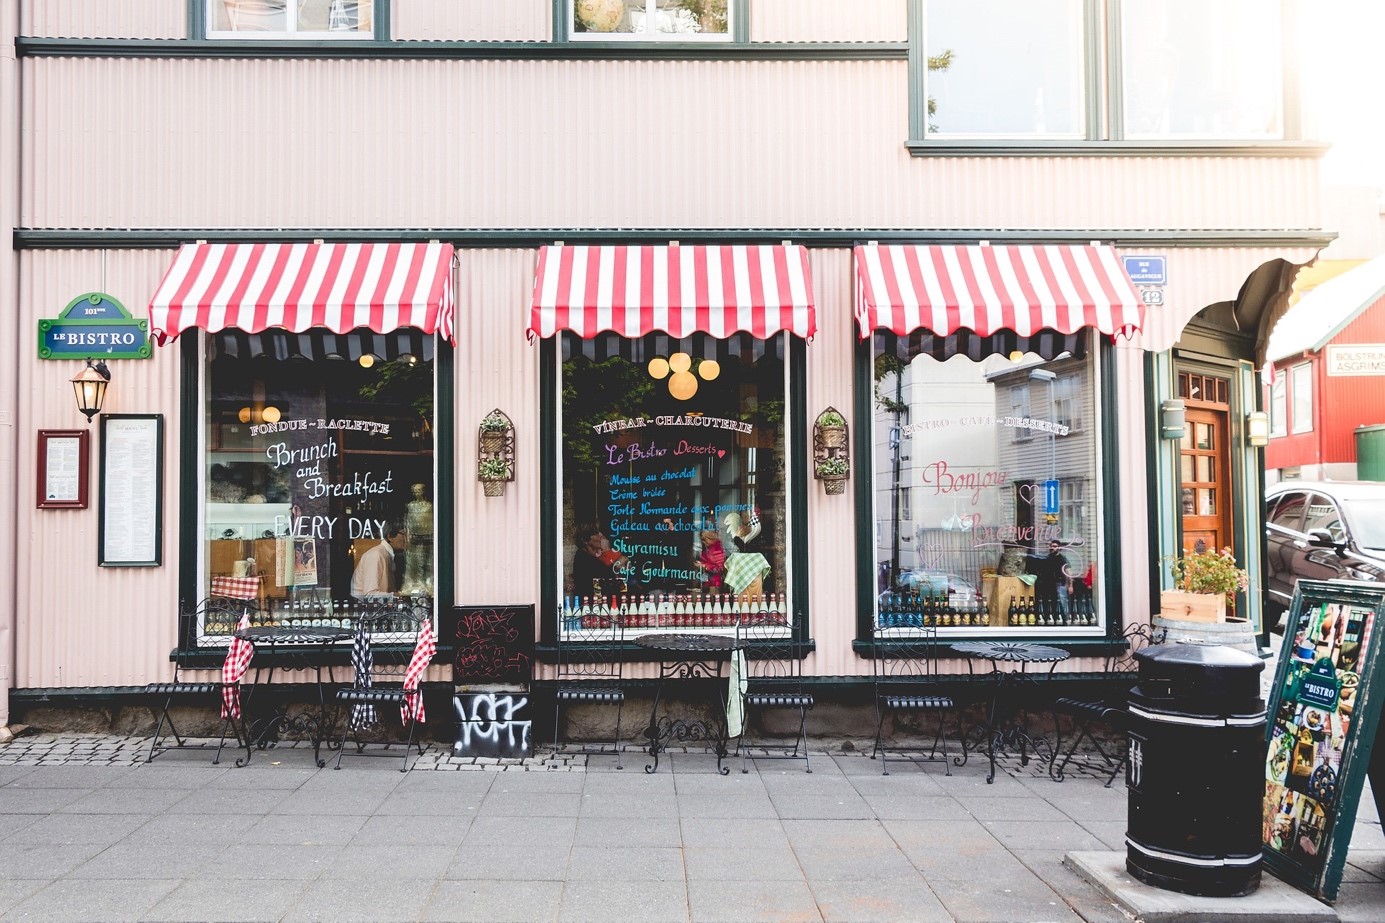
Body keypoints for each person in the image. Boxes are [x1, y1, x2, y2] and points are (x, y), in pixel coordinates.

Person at [351, 524, 408, 600]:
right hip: (364, 608)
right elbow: (370, 595)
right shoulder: (375, 555)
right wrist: (399, 596)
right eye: (404, 533)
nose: (408, 538)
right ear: (390, 537)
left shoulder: (388, 555)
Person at [572, 525, 629, 597]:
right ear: (585, 540)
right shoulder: (585, 559)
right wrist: (608, 551)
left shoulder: (594, 557)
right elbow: (610, 582)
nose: (601, 536)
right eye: (596, 534)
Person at [403, 483, 434, 594]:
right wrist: (407, 535)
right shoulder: (410, 506)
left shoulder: (429, 506)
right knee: (413, 562)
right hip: (414, 538)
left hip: (428, 537)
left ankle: (428, 584)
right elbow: (407, 521)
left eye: (419, 491)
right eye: (415, 491)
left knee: (428, 562)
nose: (417, 493)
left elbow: (433, 521)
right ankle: (414, 584)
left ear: (423, 491)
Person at [1030, 540, 1073, 617]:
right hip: (1048, 586)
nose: (1052, 548)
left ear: (1059, 548)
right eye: (1051, 546)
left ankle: (1064, 621)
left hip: (1060, 585)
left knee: (1062, 604)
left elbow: (1069, 573)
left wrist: (1070, 586)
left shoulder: (1062, 559)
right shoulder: (1047, 558)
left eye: (1055, 546)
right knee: (1049, 604)